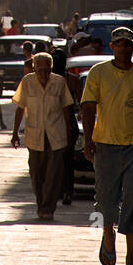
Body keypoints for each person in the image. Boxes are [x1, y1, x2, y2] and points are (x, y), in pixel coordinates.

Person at [81, 27, 133, 265]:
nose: (123, 48)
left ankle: (131, 259)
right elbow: (88, 106)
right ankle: (108, 235)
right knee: (106, 198)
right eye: (119, 44)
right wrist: (88, 140)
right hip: (106, 143)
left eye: (128, 44)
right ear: (112, 47)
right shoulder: (99, 72)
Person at [11, 51, 74, 220]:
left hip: (56, 134)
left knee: (53, 173)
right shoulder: (27, 82)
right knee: (36, 171)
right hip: (34, 135)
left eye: (47, 70)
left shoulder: (59, 82)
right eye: (40, 70)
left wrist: (69, 133)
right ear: (34, 69)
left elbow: (66, 109)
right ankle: (41, 203)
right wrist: (15, 133)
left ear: (51, 69)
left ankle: (48, 207)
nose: (44, 74)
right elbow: (20, 108)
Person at [52, 48, 78, 204]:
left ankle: (58, 190)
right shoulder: (72, 80)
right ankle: (67, 190)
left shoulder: (48, 80)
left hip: (54, 122)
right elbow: (81, 103)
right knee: (68, 159)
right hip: (70, 123)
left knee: (54, 159)